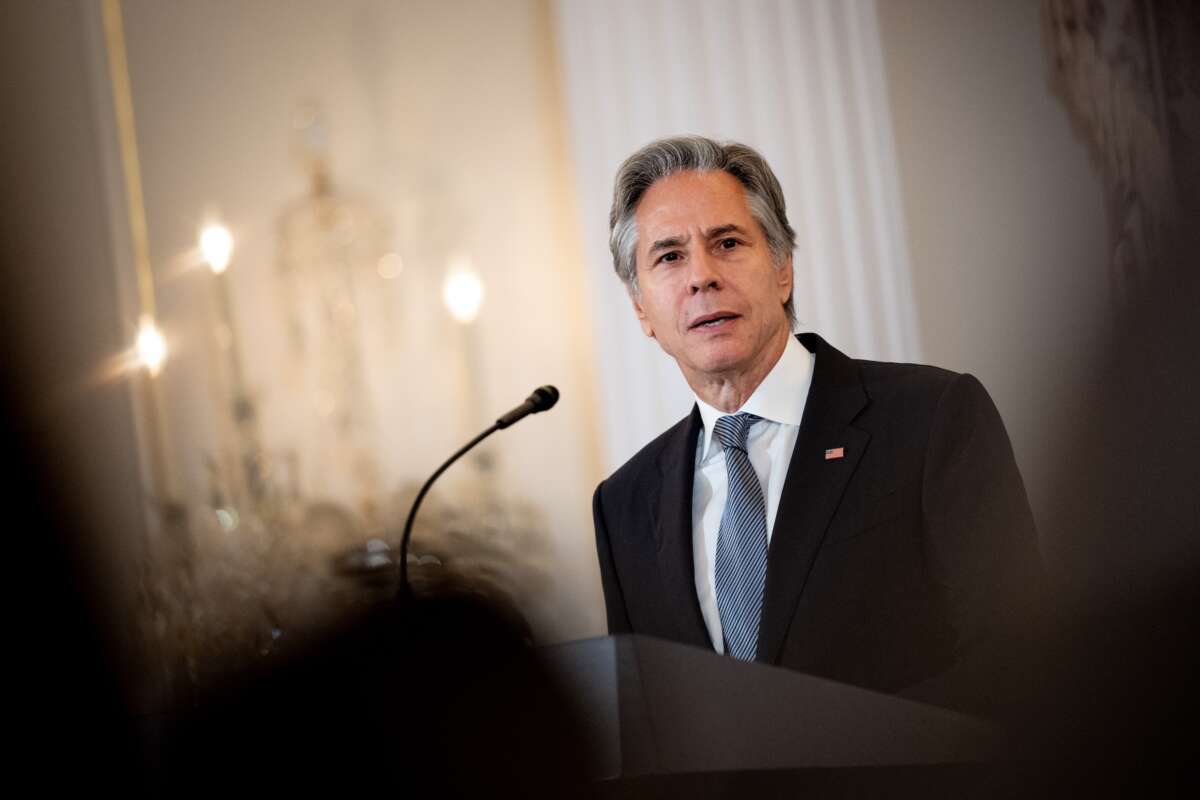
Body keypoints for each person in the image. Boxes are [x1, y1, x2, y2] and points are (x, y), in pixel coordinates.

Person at [592, 135, 1045, 715]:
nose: (701, 276)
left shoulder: (931, 419)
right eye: (669, 256)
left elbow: (1017, 659)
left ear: (782, 268)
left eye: (727, 243)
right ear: (640, 308)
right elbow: (647, 721)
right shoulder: (623, 506)